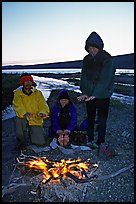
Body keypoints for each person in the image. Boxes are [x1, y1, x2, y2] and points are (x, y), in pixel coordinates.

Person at [77, 31, 115, 149]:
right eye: (90, 48)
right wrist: (84, 92)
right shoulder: (86, 59)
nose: (92, 50)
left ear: (99, 47)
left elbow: (106, 78)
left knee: (102, 118)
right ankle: (90, 139)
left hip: (103, 95)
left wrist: (96, 94)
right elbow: (83, 77)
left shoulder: (107, 58)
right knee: (90, 117)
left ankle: (100, 141)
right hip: (89, 95)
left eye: (94, 48)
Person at [12, 73, 50, 149]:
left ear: (32, 82)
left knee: (40, 142)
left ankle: (32, 134)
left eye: (29, 81)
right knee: (18, 121)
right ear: (22, 83)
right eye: (25, 81)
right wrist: (24, 113)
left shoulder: (38, 93)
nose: (28, 83)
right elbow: (17, 105)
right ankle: (21, 140)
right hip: (23, 117)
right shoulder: (17, 93)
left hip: (35, 117)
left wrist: (42, 112)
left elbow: (43, 104)